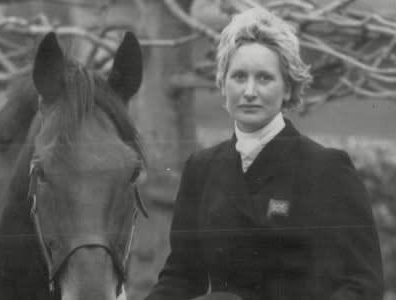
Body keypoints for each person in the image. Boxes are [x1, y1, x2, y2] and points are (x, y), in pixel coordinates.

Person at [144, 7, 384, 300]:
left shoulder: (328, 169)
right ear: (223, 84)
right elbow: (180, 277)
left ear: (287, 88)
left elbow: (362, 285)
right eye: (239, 77)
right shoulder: (201, 169)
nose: (249, 91)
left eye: (264, 78)